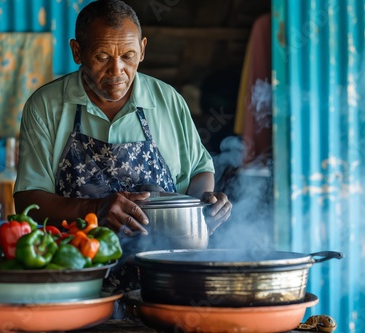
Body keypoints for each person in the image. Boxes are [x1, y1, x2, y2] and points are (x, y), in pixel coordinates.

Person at [13, 0, 231, 254]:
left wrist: (202, 209)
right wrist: (94, 209)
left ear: (142, 50)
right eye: (102, 56)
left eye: (128, 56)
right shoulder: (45, 106)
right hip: (77, 269)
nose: (116, 70)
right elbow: (28, 201)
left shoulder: (168, 101)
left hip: (161, 273)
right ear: (77, 52)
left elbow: (199, 171)